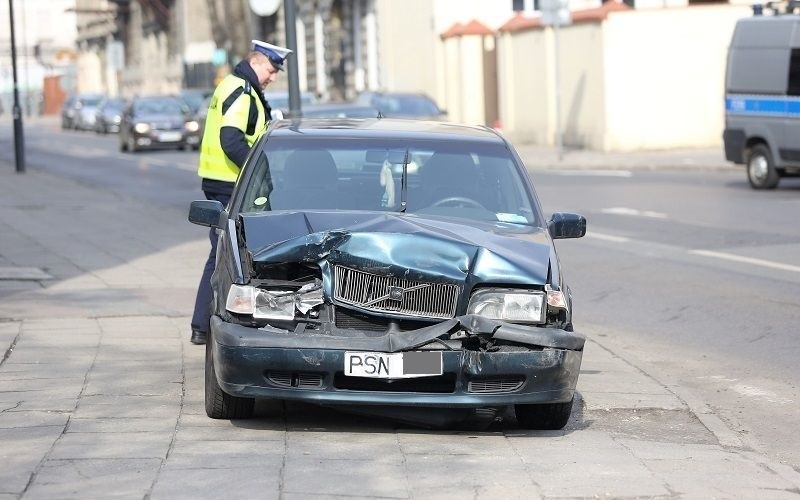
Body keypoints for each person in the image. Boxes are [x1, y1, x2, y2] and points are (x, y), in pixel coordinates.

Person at [190, 40, 293, 345]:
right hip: (230, 185)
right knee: (227, 254)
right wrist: (254, 175)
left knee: (224, 252)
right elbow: (231, 140)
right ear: (259, 62)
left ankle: (203, 325)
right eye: (272, 70)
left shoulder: (238, 86)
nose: (273, 77)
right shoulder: (242, 90)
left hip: (221, 182)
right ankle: (206, 324)